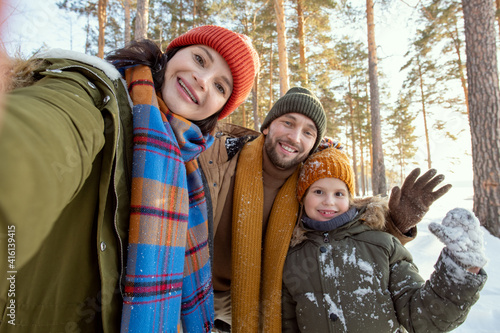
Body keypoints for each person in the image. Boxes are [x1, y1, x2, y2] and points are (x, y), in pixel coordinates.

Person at [0, 25, 259, 332]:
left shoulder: (188, 169)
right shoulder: (95, 92)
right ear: (171, 55)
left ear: (220, 109)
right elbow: (38, 140)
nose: (202, 81)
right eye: (200, 60)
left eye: (220, 87)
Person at [198, 87, 453, 332]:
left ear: (313, 144)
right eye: (288, 122)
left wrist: (397, 223)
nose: (295, 137)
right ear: (267, 125)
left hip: (256, 304)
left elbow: (348, 237)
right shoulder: (221, 157)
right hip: (192, 289)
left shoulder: (311, 187)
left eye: (308, 132)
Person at [281, 144, 487, 332]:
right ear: (303, 196)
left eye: (339, 194)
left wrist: (460, 270)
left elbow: (422, 316)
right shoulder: (292, 256)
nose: (329, 201)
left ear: (351, 198)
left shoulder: (381, 244)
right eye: (318, 191)